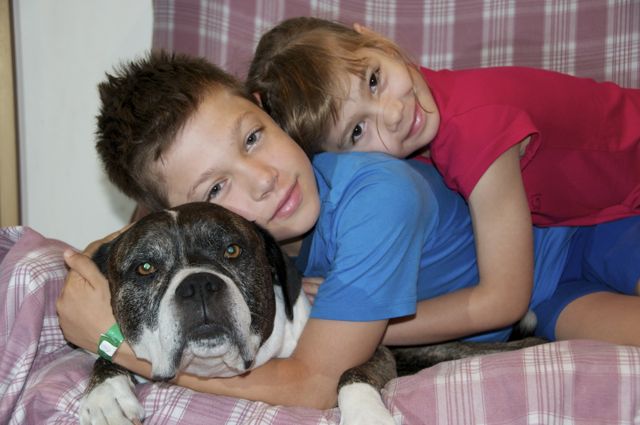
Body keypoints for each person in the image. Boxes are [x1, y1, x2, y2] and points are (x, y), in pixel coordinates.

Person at [57, 51, 640, 410]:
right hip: (554, 296)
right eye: (215, 189)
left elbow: (313, 384)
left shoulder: (374, 198)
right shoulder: (260, 238)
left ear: (268, 111)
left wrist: (114, 344)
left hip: (591, 232)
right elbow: (119, 249)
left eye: (254, 137)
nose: (263, 179)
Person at [247, 16, 640, 336]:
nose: (393, 114)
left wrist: (359, 323)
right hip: (583, 232)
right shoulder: (420, 111)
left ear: (377, 42)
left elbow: (504, 301)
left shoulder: (473, 134)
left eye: (373, 80)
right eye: (357, 131)